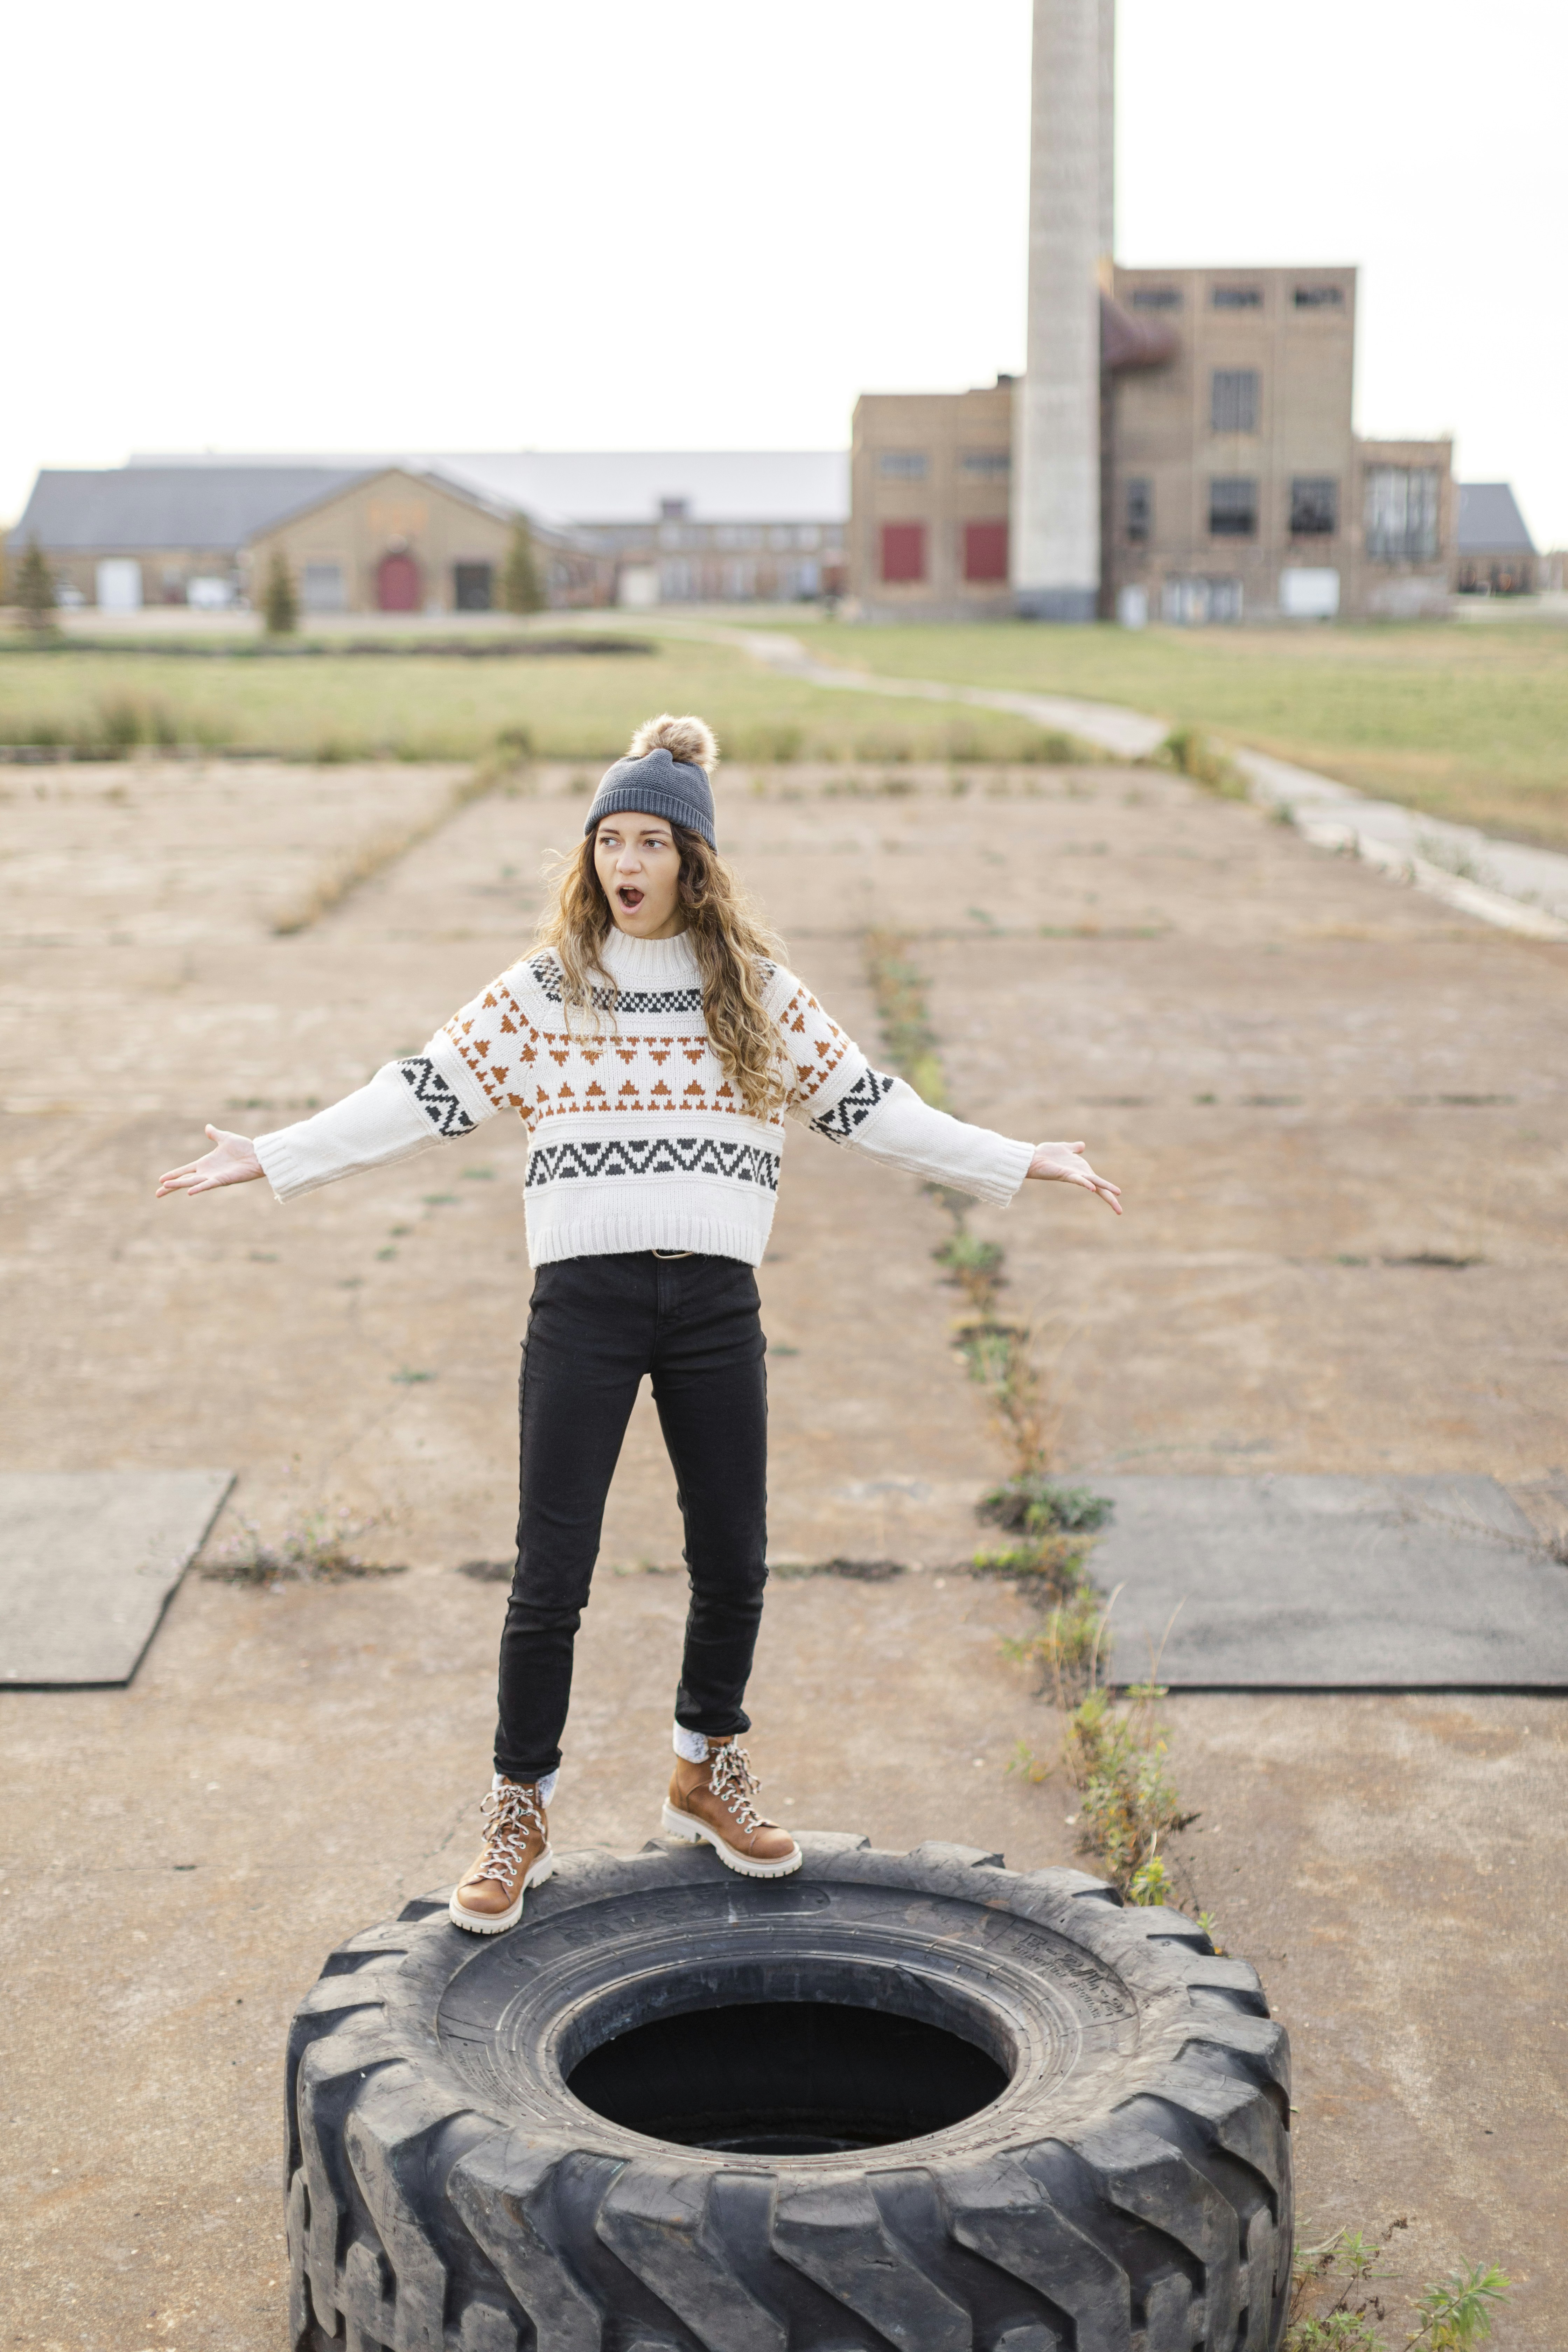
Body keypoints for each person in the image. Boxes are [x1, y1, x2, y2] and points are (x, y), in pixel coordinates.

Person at [158, 714, 1121, 1933]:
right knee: (550, 1571)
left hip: (716, 1301)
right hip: (587, 1302)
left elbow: (876, 1108)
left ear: (693, 861)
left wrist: (1018, 1157)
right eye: (609, 839)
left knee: (735, 1556)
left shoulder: (757, 996)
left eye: (650, 842)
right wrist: (276, 1153)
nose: (627, 862)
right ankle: (519, 1809)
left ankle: (704, 1767)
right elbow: (422, 1092)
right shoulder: (553, 986)